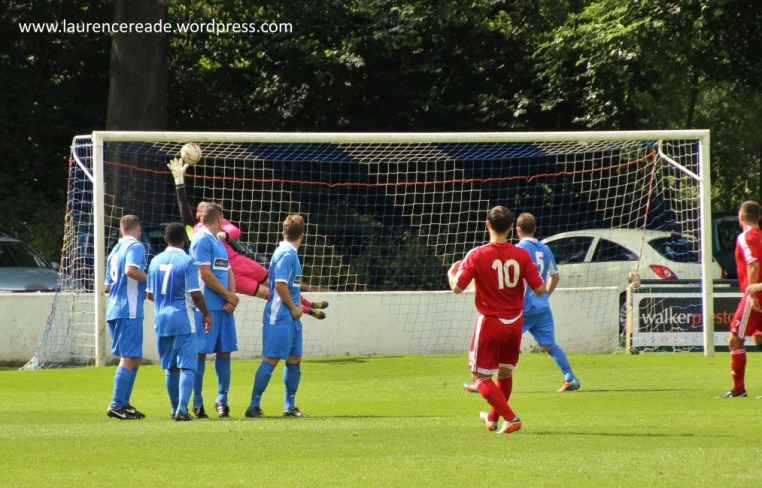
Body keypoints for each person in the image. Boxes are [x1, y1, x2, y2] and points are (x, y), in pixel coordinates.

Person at [167, 158, 328, 319]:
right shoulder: (195, 231)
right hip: (230, 274)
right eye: (201, 208)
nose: (205, 209)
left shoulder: (220, 224)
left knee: (275, 282)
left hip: (241, 262)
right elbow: (183, 207)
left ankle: (309, 303)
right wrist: (179, 182)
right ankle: (309, 311)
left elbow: (235, 230)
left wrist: (224, 234)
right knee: (269, 293)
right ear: (197, 214)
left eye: (207, 207)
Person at [448, 206, 545, 434]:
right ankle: (492, 419)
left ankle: (510, 418)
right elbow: (540, 289)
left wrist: (451, 273)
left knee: (479, 377)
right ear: (511, 227)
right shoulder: (521, 255)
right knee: (505, 373)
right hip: (515, 323)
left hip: (490, 322)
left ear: (488, 224)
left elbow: (457, 287)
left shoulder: (477, 254)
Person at [146, 223, 213, 421]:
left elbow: (149, 294)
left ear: (165, 239)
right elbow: (195, 293)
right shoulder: (187, 261)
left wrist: (165, 302)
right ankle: (182, 409)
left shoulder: (155, 261)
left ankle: (174, 408)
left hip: (161, 319)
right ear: (184, 239)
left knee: (171, 367)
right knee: (188, 365)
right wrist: (206, 313)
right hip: (183, 318)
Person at [245, 214, 309, 419]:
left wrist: (298, 304)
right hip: (279, 315)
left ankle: (289, 406)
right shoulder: (286, 254)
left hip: (291, 316)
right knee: (271, 359)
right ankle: (253, 406)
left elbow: (290, 286)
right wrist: (293, 307)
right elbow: (280, 285)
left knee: (294, 359)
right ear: (303, 235)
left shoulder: (290, 254)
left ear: (283, 232)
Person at [515, 212, 580, 392]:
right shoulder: (545, 249)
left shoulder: (518, 250)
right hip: (541, 306)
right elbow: (555, 276)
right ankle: (570, 377)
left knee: (504, 342)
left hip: (522, 307)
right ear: (535, 229)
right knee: (549, 345)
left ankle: (484, 381)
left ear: (517, 230)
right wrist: (544, 295)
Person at [189, 202, 240, 418]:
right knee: (200, 353)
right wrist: (227, 294)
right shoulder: (201, 240)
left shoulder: (218, 241)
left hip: (224, 307)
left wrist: (232, 298)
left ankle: (222, 400)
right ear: (219, 219)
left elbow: (228, 270)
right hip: (206, 308)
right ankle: (197, 402)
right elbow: (204, 274)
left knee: (225, 351)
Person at [104, 214, 148, 420]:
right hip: (128, 309)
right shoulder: (135, 246)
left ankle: (124, 403)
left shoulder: (114, 250)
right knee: (129, 357)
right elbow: (131, 271)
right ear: (139, 230)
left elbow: (107, 286)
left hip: (115, 308)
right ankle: (116, 404)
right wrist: (152, 279)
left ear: (121, 230)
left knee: (135, 357)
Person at [718, 200, 762, 398]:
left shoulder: (746, 237)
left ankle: (738, 389)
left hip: (755, 296)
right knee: (759, 337)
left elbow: (753, 263)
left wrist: (752, 293)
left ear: (741, 216)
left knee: (735, 340)